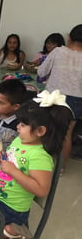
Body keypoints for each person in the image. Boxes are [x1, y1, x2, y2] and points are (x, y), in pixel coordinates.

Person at [0, 91, 73, 239]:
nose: (18, 126)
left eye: (22, 124)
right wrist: (2, 158)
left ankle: (3, 230)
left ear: (40, 131)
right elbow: (14, 160)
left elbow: (41, 190)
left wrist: (14, 171)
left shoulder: (40, 156)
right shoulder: (22, 140)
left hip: (9, 207)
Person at [37, 24, 82, 173]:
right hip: (76, 99)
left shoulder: (58, 52)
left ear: (69, 37)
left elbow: (42, 71)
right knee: (67, 134)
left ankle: (38, 164)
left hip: (53, 95)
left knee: (45, 128)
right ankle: (60, 169)